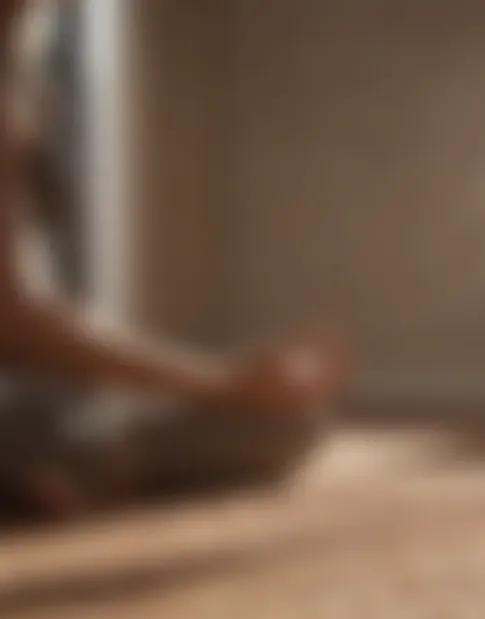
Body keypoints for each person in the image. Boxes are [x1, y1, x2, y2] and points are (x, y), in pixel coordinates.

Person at [0, 0, 350, 517]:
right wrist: (228, 383)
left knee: (288, 423)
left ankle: (72, 468)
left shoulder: (25, 78)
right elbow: (16, 322)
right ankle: (67, 469)